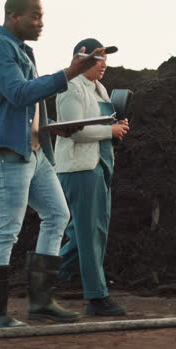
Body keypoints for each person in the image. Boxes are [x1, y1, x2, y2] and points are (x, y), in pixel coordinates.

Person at [0, 0, 107, 328]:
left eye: (42, 16)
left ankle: (41, 303)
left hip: (34, 151)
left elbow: (29, 107)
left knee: (58, 214)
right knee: (6, 230)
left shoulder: (20, 50)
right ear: (13, 16)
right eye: (35, 16)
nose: (41, 23)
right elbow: (18, 94)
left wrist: (53, 128)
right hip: (8, 153)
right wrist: (71, 72)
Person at [54, 38, 130, 316]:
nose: (104, 65)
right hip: (79, 169)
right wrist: (109, 132)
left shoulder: (99, 88)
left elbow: (100, 124)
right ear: (81, 59)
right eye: (98, 59)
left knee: (87, 232)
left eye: (105, 59)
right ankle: (97, 298)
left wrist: (117, 127)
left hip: (99, 165)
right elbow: (72, 130)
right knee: (89, 234)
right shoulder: (70, 88)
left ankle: (43, 275)